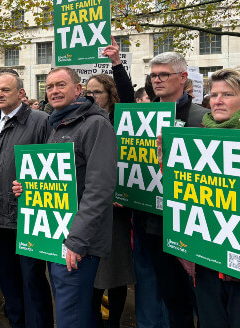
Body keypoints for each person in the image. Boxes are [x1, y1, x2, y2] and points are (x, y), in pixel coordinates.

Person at [13, 66, 117, 328]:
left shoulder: (95, 125)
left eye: (61, 85)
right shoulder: (57, 124)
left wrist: (77, 240)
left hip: (77, 243)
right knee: (73, 311)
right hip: (55, 236)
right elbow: (58, 181)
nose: (54, 91)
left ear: (78, 89)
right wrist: (30, 188)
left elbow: (99, 188)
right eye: (49, 87)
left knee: (72, 316)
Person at [137, 52, 207, 328]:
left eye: (164, 74)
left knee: (199, 299)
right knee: (172, 298)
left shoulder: (202, 118)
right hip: (153, 223)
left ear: (183, 78)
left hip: (191, 225)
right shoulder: (140, 117)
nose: (157, 80)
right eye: (154, 75)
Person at [186, 68, 240, 327]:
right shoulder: (202, 134)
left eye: (227, 94)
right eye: (213, 94)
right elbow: (189, 192)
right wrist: (167, 168)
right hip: (208, 259)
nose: (217, 100)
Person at [0, 70, 53, 328]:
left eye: (5, 90)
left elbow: (52, 170)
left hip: (28, 218)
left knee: (33, 282)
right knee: (8, 283)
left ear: (21, 93)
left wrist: (33, 187)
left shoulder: (41, 121)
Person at [85, 74, 136, 328]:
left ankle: (112, 321)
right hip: (91, 207)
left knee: (114, 272)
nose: (92, 97)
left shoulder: (122, 120)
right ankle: (95, 319)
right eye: (88, 92)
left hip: (117, 209)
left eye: (97, 92)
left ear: (110, 95)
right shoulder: (84, 120)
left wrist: (116, 64)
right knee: (93, 272)